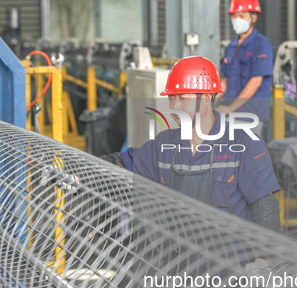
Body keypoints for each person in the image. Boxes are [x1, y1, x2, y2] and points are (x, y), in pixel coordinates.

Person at [103, 55, 281, 231]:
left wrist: (263, 259)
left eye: (182, 98)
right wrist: (78, 169)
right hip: (180, 256)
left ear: (206, 97)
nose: (174, 106)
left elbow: (265, 209)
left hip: (231, 257)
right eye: (172, 98)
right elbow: (121, 164)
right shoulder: (163, 145)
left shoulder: (245, 145)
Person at [215, 0, 273, 138]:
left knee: (242, 154)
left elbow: (255, 82)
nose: (237, 20)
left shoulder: (262, 44)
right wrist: (208, 102)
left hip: (250, 114)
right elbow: (225, 82)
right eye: (234, 16)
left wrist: (230, 108)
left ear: (254, 17)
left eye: (242, 15)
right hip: (230, 113)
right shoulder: (232, 46)